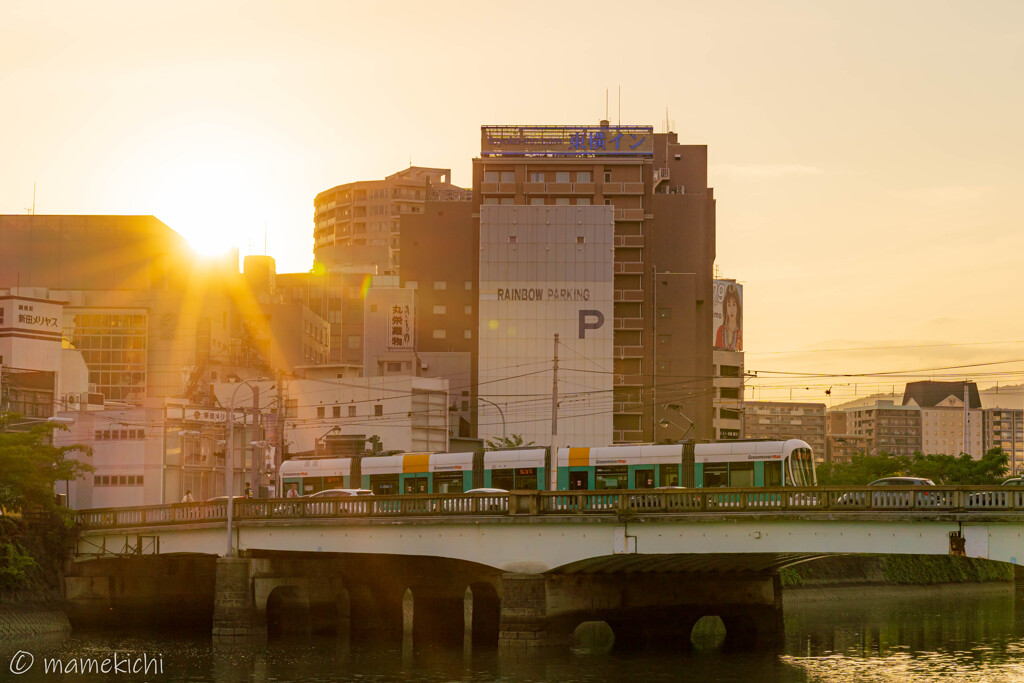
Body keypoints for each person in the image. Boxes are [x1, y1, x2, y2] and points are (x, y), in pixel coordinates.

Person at [715, 284, 743, 351]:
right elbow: (716, 355)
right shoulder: (720, 330)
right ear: (726, 307)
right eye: (729, 305)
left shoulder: (739, 333)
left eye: (734, 304)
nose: (731, 309)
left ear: (737, 307)